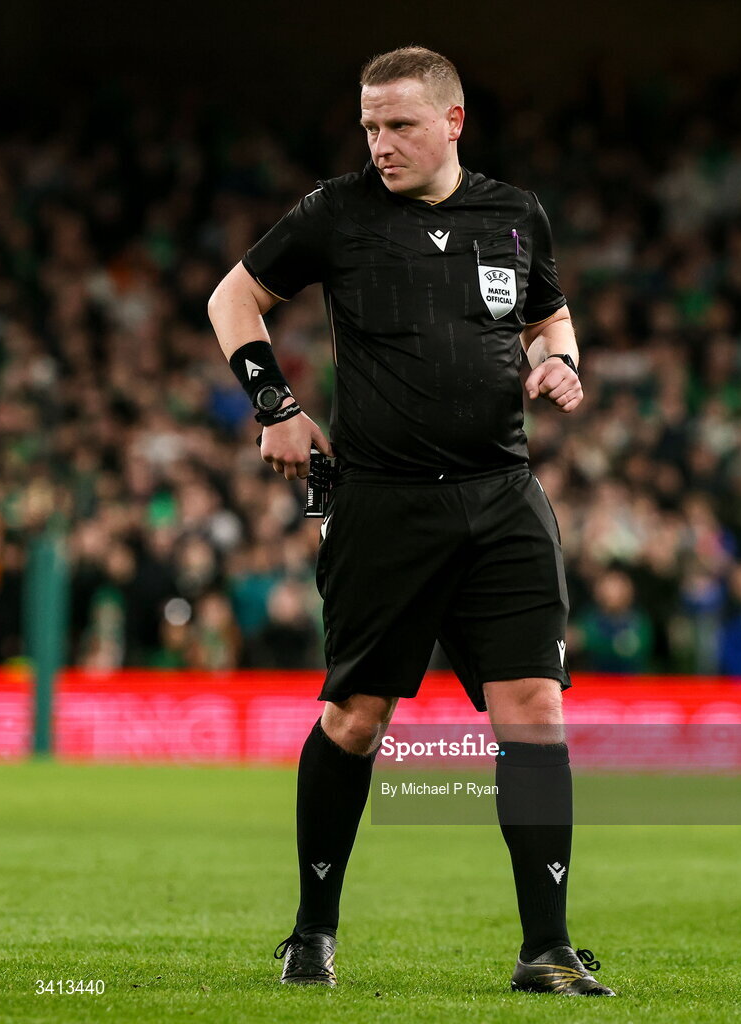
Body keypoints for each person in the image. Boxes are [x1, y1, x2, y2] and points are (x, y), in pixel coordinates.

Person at [208, 46, 614, 997]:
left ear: (453, 122)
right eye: (370, 126)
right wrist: (274, 406)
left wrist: (562, 362)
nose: (379, 144)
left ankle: (545, 947)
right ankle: (313, 931)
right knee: (356, 718)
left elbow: (549, 318)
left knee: (536, 711)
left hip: (504, 494)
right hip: (385, 501)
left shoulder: (514, 214)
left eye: (398, 125)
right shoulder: (337, 210)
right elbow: (236, 297)